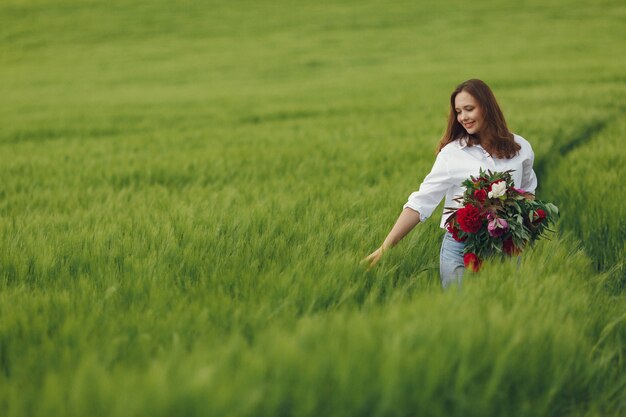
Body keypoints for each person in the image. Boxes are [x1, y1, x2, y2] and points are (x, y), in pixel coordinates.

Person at [363, 79, 537, 289]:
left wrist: (523, 229)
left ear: (487, 107)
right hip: (461, 248)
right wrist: (385, 247)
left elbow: (528, 193)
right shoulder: (452, 153)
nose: (463, 117)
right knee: (462, 313)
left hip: (506, 246)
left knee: (503, 312)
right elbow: (421, 202)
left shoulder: (521, 148)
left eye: (469, 109)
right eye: (458, 111)